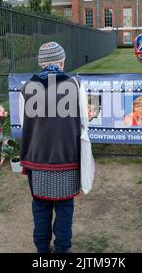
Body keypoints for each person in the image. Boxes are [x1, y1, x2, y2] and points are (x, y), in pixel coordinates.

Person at [19, 42, 89, 253]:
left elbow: (25, 125)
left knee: (40, 208)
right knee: (65, 209)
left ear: (41, 63)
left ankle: (42, 251)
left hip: (37, 158)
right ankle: (62, 251)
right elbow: (83, 123)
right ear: (62, 62)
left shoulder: (26, 88)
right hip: (67, 158)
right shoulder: (76, 85)